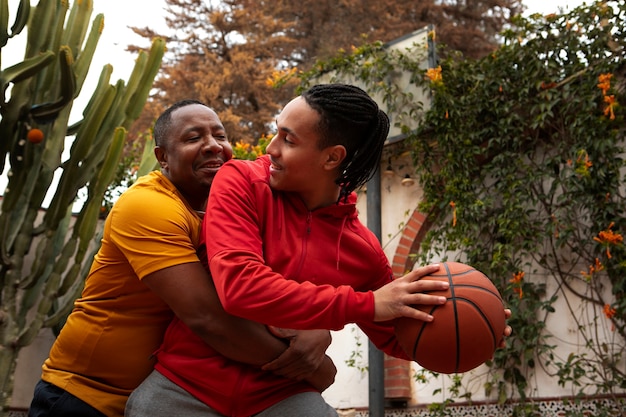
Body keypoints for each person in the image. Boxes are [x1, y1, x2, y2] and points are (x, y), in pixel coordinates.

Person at [126, 84, 511, 417]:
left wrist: (473, 331)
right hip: (185, 386)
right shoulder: (240, 181)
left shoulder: (363, 251)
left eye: (288, 139)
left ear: (332, 157)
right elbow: (240, 286)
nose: (271, 148)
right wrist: (366, 304)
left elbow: (398, 335)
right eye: (277, 132)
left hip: (281, 393)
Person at [28, 99, 336, 417]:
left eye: (220, 136)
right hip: (84, 398)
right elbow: (208, 317)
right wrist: (313, 369)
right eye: (193, 138)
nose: (212, 146)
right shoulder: (147, 205)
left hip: (171, 400)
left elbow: (259, 290)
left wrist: (315, 328)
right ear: (162, 157)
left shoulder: (229, 214)